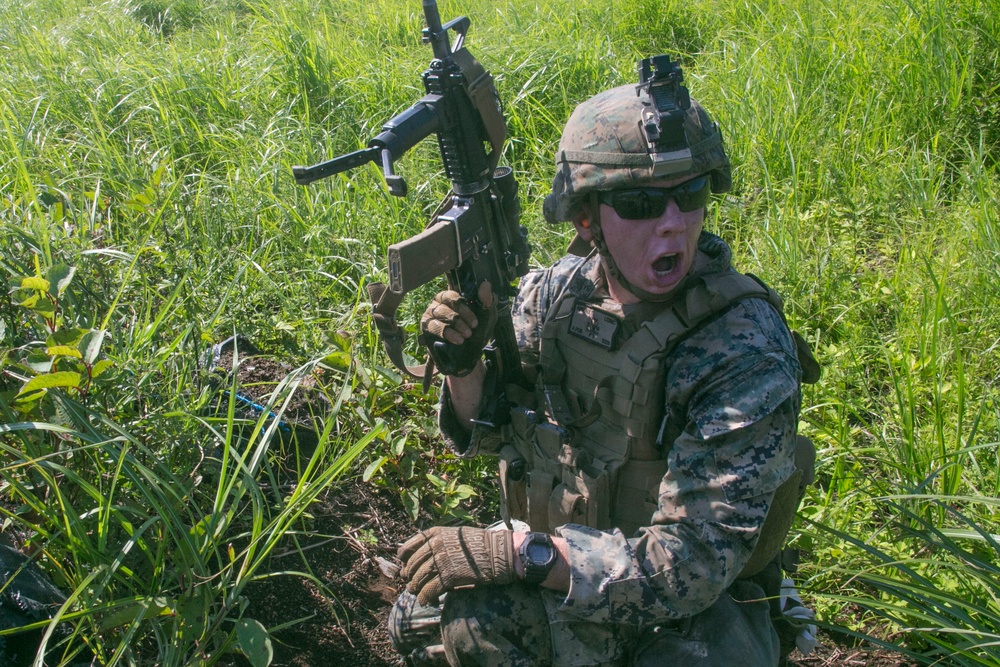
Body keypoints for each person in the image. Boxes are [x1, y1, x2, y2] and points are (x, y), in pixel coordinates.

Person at [388, 55, 819, 667]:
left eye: (689, 194)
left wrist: (521, 556)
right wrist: (463, 365)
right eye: (642, 203)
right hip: (577, 566)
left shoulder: (740, 351)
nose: (673, 224)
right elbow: (492, 431)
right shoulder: (558, 296)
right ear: (587, 217)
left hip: (687, 611)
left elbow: (691, 567)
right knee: (419, 620)